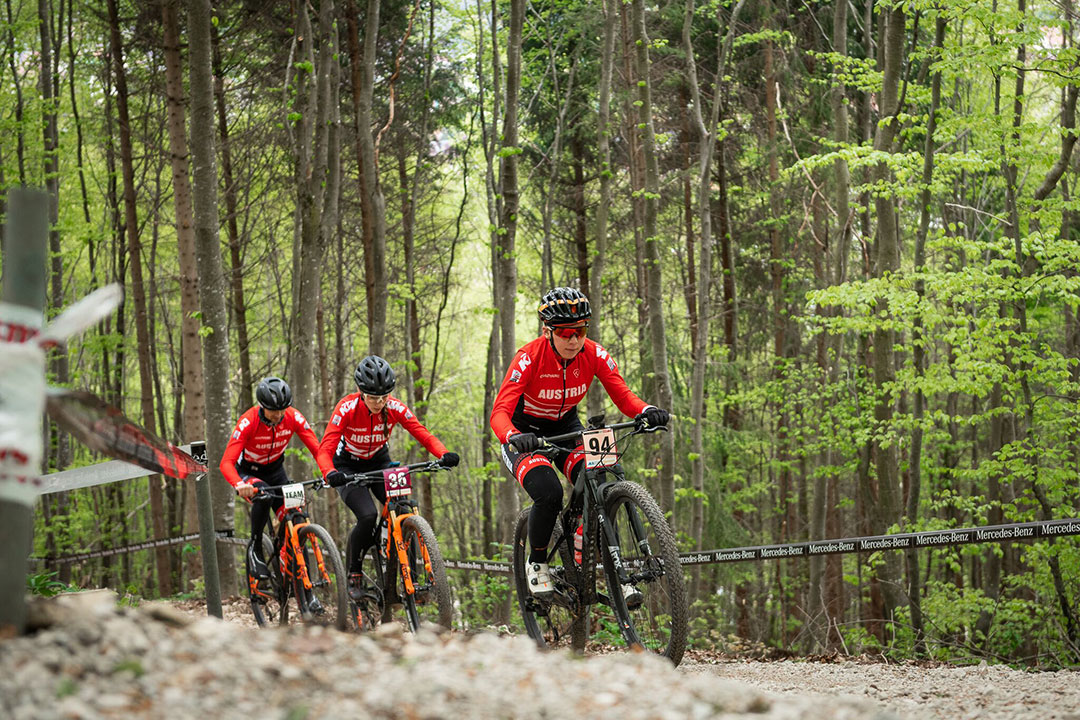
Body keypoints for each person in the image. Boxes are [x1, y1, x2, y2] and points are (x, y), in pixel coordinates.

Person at [490, 287, 670, 601]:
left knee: (604, 473)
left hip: (567, 427)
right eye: (565, 332)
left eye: (581, 331)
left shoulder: (594, 354)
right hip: (524, 433)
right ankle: (537, 563)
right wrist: (513, 437)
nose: (574, 340)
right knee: (549, 493)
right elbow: (499, 412)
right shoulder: (528, 358)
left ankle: (587, 549)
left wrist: (646, 411)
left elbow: (623, 396)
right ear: (548, 331)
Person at [319, 355, 459, 599]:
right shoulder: (346, 408)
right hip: (348, 467)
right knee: (367, 515)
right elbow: (325, 448)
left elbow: (422, 433)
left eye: (384, 396)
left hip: (379, 460)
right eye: (373, 397)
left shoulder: (393, 407)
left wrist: (444, 453)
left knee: (403, 509)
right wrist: (330, 473)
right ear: (360, 392)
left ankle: (411, 579)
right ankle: (355, 572)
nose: (379, 402)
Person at [220, 376, 333, 585]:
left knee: (298, 518)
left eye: (283, 410)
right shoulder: (248, 421)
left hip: (276, 472)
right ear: (262, 407)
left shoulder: (293, 417)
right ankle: (256, 548)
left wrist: (328, 471)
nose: (279, 415)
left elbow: (317, 449)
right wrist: (239, 484)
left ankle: (299, 578)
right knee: (262, 496)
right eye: (274, 411)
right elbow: (226, 462)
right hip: (249, 473)